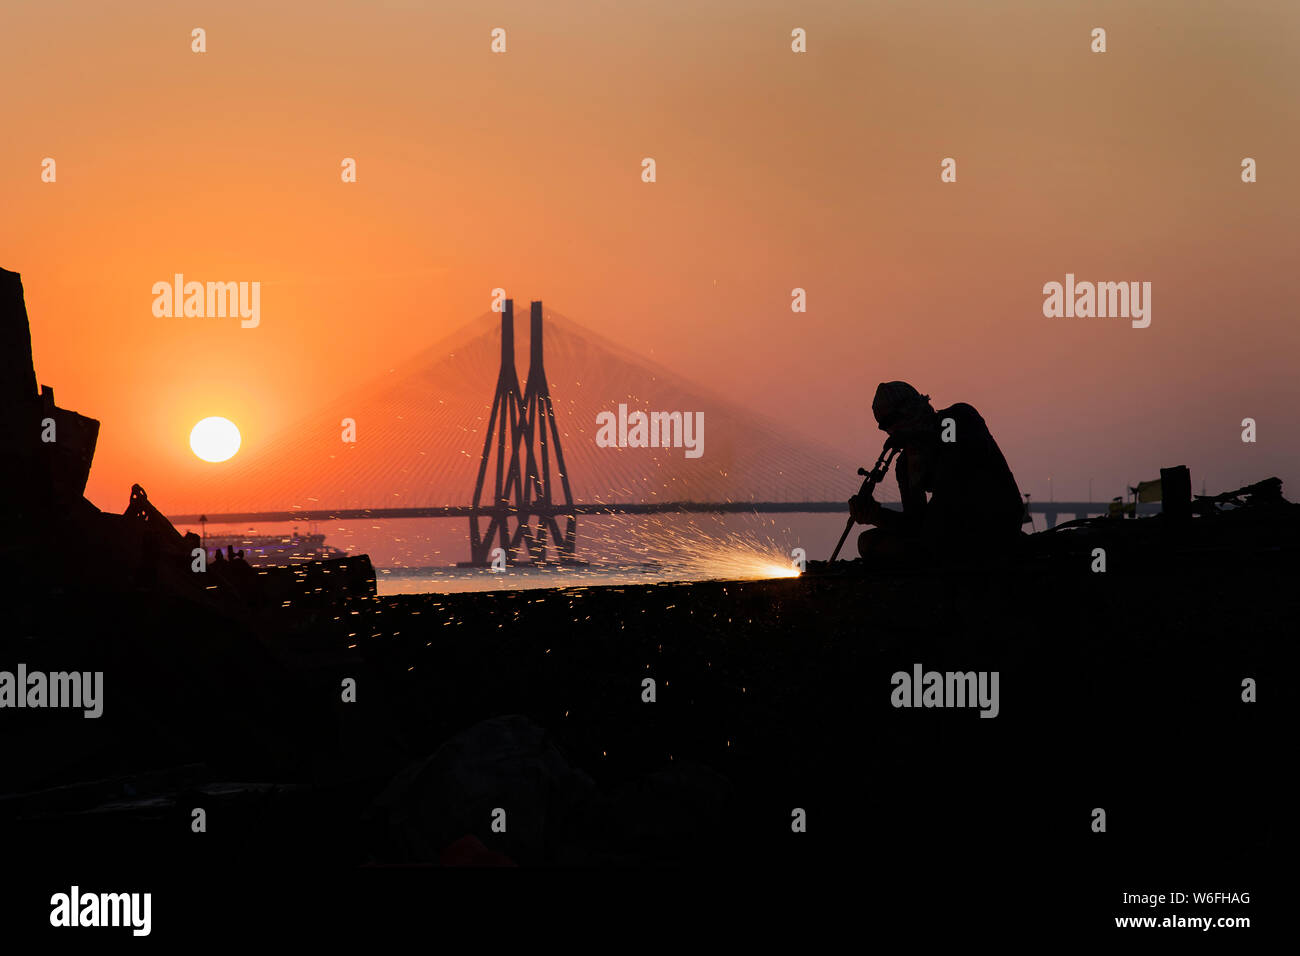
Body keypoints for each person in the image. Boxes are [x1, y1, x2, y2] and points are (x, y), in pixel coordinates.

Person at [849, 381, 1024, 562]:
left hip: (994, 523)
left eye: (892, 421)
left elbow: (951, 463)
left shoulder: (955, 419)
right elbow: (916, 522)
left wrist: (917, 445)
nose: (891, 431)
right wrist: (876, 516)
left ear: (911, 408)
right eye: (885, 426)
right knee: (867, 542)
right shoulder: (905, 463)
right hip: (948, 534)